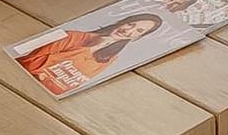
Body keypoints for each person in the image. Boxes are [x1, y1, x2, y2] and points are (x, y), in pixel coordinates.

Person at [16, 13, 164, 96]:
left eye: (138, 31)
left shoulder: (109, 59)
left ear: (137, 38)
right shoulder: (72, 36)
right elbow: (27, 62)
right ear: (122, 22)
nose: (129, 31)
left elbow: (71, 87)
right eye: (131, 24)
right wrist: (94, 45)